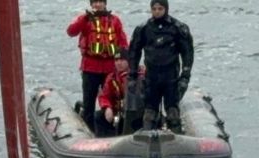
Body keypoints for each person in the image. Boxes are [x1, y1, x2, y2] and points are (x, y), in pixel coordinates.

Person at [127, 0, 193, 132]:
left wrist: (185, 76)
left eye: (160, 9)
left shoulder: (178, 28)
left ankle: (177, 137)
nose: (157, 12)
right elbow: (134, 52)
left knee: (173, 113)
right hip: (152, 77)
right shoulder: (143, 29)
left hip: (171, 77)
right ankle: (147, 138)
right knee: (149, 114)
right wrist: (132, 75)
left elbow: (187, 53)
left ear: (166, 9)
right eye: (154, 9)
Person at [66, 0, 128, 133]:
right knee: (89, 103)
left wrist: (126, 64)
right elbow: (71, 32)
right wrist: (84, 18)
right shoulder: (85, 20)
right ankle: (89, 132)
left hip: (110, 68)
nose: (97, 5)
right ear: (91, 4)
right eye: (95, 2)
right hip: (90, 68)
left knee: (113, 100)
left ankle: (111, 130)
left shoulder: (115, 21)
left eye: (100, 2)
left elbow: (123, 44)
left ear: (105, 4)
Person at [96, 53, 145, 137]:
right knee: (98, 116)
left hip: (139, 113)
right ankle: (106, 139)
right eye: (116, 60)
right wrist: (107, 107)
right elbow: (104, 96)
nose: (118, 63)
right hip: (119, 113)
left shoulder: (142, 74)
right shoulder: (112, 77)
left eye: (122, 60)